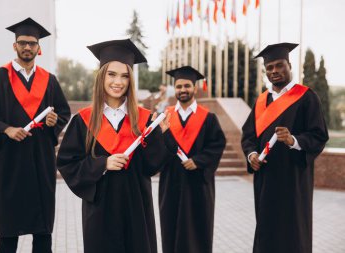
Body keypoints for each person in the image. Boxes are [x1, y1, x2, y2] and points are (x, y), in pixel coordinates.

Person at [56, 39, 170, 253]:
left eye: (124, 75)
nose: (118, 81)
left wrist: (159, 137)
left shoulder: (144, 119)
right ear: (101, 77)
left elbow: (151, 167)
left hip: (137, 209)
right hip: (100, 212)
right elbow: (67, 164)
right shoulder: (83, 121)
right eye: (112, 74)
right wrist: (102, 164)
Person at [0, 17, 71, 252]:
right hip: (11, 162)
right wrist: (6, 129)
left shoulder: (49, 81)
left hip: (41, 160)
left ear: (39, 48)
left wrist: (54, 121)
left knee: (42, 232)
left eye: (32, 43)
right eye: (22, 43)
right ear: (15, 46)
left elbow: (63, 112)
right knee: (9, 231)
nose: (27, 47)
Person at [241, 43, 329, 253]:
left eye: (279, 65)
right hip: (265, 179)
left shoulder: (307, 97)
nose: (274, 71)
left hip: (293, 180)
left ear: (289, 66)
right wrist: (252, 154)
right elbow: (248, 136)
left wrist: (293, 140)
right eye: (269, 67)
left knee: (293, 232)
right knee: (266, 231)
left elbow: (319, 136)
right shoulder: (262, 100)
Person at [159, 66, 226, 253]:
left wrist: (199, 160)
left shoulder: (208, 118)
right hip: (170, 183)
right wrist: (163, 134)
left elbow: (217, 145)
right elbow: (158, 149)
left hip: (198, 184)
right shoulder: (165, 117)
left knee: (198, 231)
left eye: (187, 86)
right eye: (179, 86)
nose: (183, 90)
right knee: (171, 229)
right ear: (175, 89)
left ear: (194, 88)